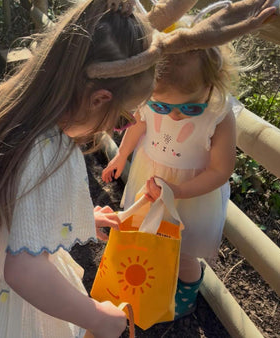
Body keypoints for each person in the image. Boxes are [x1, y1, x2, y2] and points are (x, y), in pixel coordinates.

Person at [0, 0, 276, 336]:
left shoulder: (0, 104)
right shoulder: (51, 153)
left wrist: (84, 219)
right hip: (16, 300)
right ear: (100, 98)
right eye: (122, 119)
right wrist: (95, 315)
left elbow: (14, 204)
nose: (126, 124)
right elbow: (24, 272)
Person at [101, 6, 244, 319]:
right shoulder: (152, 100)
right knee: (148, 237)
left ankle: (186, 294)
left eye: (190, 109)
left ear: (213, 86)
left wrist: (178, 191)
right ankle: (156, 281)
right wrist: (122, 156)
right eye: (161, 106)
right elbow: (138, 126)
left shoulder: (219, 116)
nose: (175, 115)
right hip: (150, 178)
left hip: (192, 194)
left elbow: (221, 169)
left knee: (184, 252)